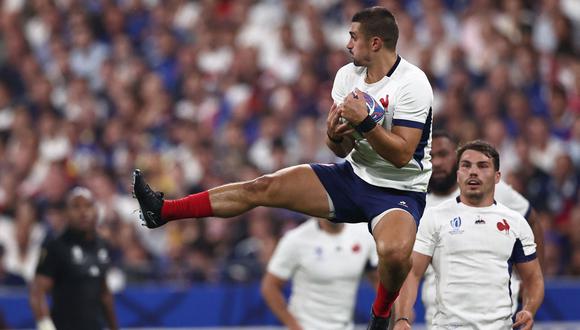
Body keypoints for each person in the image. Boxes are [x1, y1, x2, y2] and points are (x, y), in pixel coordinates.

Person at [133, 7, 433, 329]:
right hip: (353, 176)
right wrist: (333, 136)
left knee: (395, 252)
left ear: (375, 43)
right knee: (261, 186)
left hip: (398, 190)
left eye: (353, 36)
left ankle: (381, 314)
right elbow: (341, 149)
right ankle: (164, 211)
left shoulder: (412, 83)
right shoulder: (347, 77)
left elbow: (402, 155)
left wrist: (367, 123)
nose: (348, 44)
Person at [394, 141, 544, 330]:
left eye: (482, 166)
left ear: (497, 177)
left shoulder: (516, 223)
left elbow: (534, 279)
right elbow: (412, 273)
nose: (473, 172)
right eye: (466, 165)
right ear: (458, 175)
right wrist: (402, 318)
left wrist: (529, 309)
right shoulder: (434, 217)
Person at [261, 218, 378, 330]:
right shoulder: (295, 239)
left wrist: (391, 319)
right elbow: (270, 286)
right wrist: (294, 327)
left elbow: (380, 280)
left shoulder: (364, 234)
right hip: (306, 326)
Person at [29, 188, 118, 330]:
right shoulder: (55, 246)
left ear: (96, 210)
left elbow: (104, 293)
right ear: (66, 213)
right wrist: (45, 325)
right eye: (76, 207)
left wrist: (114, 327)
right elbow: (37, 291)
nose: (83, 212)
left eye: (88, 206)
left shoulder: (102, 245)